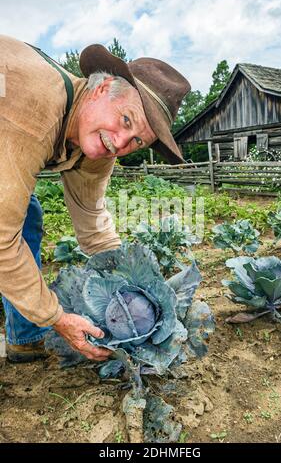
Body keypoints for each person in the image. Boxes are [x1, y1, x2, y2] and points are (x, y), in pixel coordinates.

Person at [0, 35, 191, 363]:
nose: (120, 143)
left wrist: (133, 280)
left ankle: (25, 337)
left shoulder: (101, 143)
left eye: (136, 141)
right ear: (103, 88)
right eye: (126, 120)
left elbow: (92, 220)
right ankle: (34, 325)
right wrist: (56, 318)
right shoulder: (33, 108)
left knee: (25, 213)